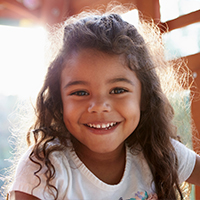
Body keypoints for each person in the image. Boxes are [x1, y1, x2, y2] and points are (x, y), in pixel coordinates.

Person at [5, 4, 200, 200]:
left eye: (118, 90)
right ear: (59, 101)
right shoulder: (43, 169)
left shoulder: (158, 151)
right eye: (80, 92)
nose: (98, 106)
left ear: (144, 97)